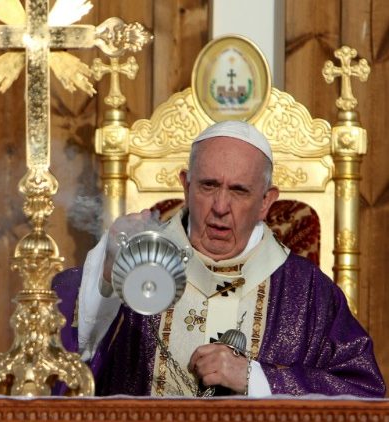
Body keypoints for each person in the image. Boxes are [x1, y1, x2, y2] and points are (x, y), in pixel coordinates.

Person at [72, 120, 385, 397]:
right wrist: (107, 277)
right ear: (186, 184)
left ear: (265, 202)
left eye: (239, 191)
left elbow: (362, 391)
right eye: (209, 185)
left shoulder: (307, 291)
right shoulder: (138, 263)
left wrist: (255, 378)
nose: (220, 206)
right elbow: (73, 363)